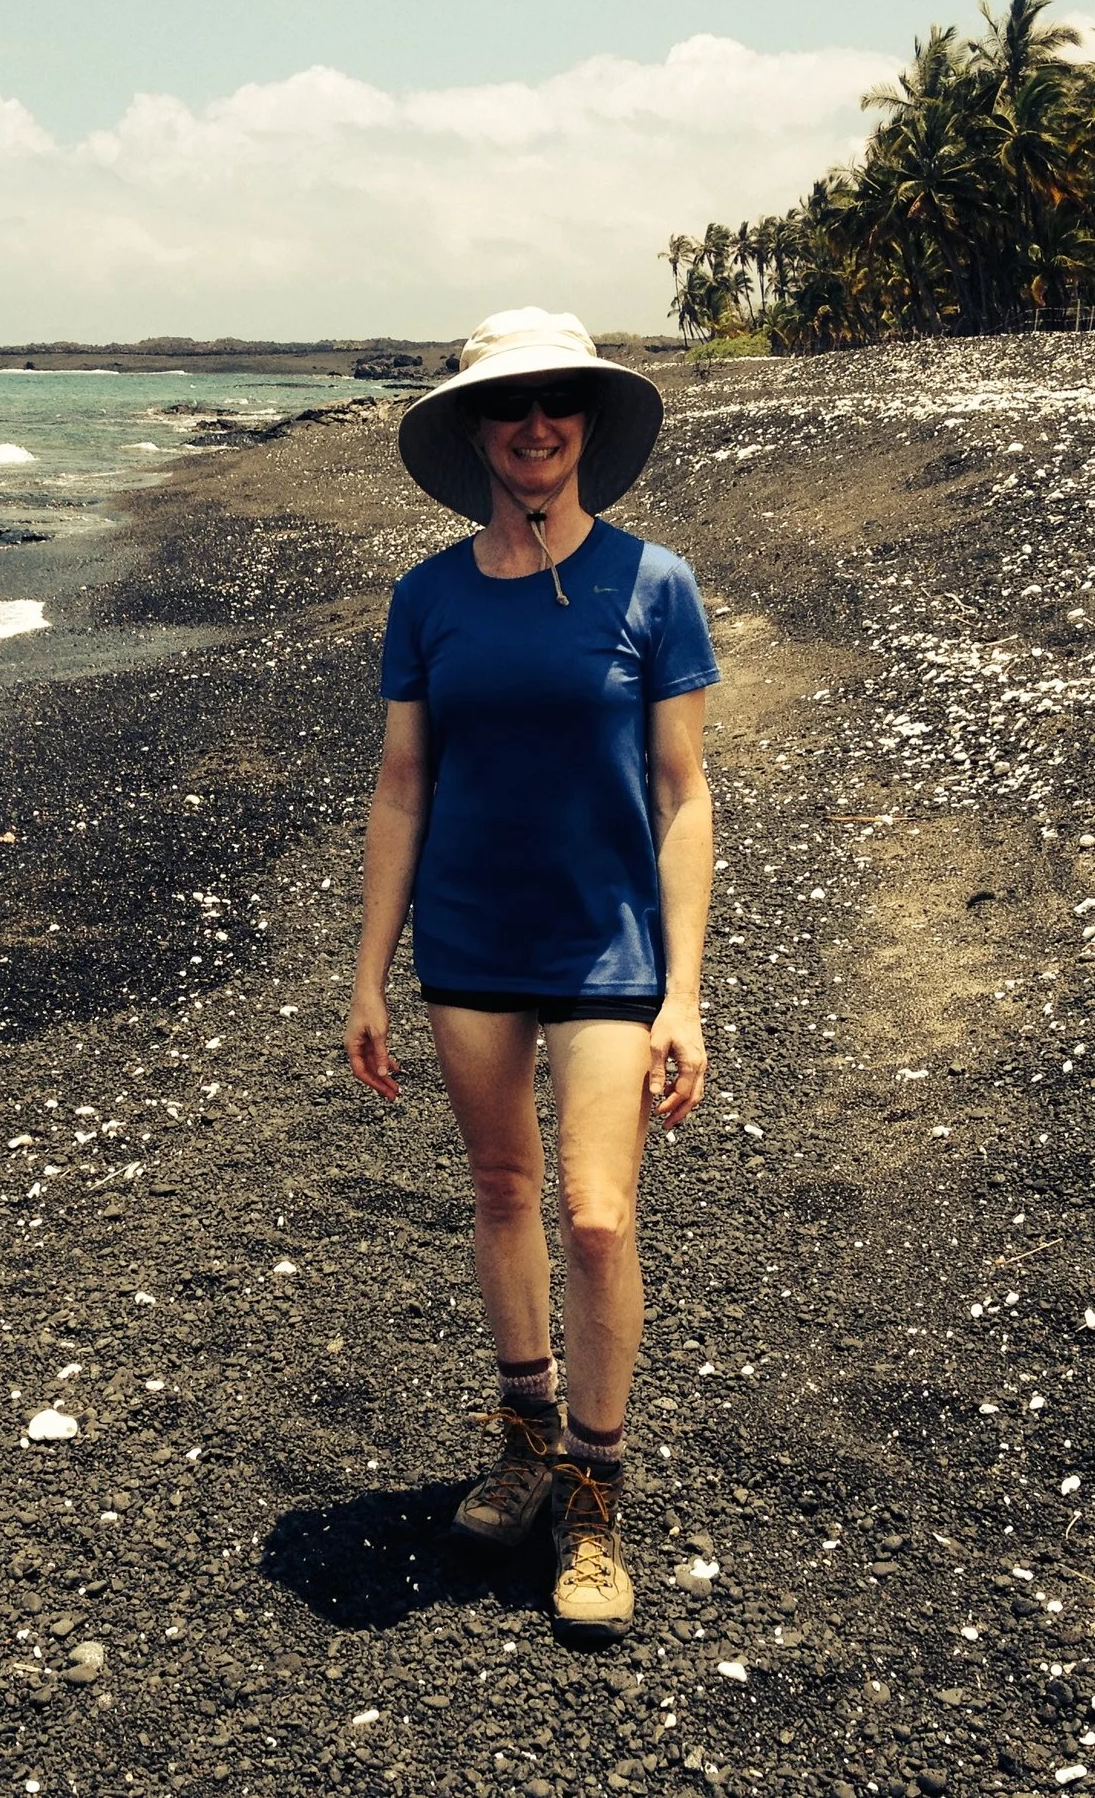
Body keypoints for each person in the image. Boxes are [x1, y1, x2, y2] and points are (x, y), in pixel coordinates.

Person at [345, 307, 718, 1643]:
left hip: (608, 947)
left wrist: (685, 991)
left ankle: (595, 1490)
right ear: (477, 435)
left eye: (559, 404)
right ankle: (523, 1435)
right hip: (468, 943)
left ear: (586, 426)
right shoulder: (429, 597)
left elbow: (681, 793)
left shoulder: (654, 585)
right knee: (502, 1190)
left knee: (599, 1214)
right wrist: (370, 974)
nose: (537, 426)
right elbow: (402, 786)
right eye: (511, 409)